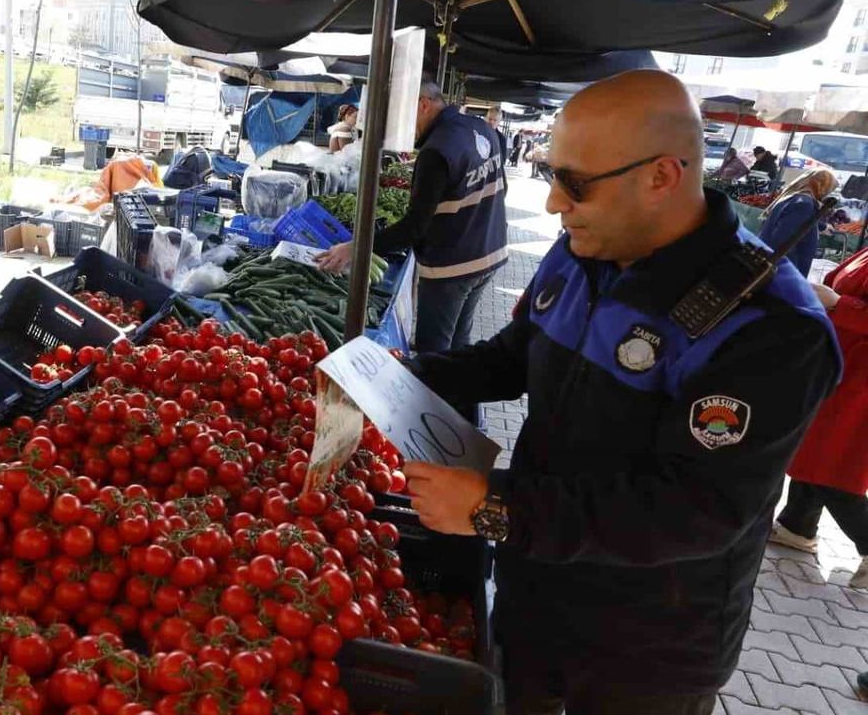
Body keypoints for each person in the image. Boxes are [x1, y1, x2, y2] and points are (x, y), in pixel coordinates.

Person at [401, 70, 840, 714]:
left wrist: (495, 509)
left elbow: (695, 510)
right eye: (552, 175)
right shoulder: (582, 251)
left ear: (661, 176)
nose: (553, 203)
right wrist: (399, 374)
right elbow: (510, 358)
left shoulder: (770, 328)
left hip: (647, 646)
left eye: (573, 183)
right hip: (536, 590)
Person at [316, 80, 508, 354]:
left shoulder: (436, 150)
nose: (403, 126)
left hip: (452, 267)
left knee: (435, 354)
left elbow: (414, 228)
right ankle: (461, 398)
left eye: (404, 115)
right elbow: (501, 189)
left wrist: (355, 248)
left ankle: (435, 395)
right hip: (490, 253)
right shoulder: (481, 128)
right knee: (460, 346)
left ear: (423, 105)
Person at [768, 244, 868, 589]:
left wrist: (839, 304)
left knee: (834, 467)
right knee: (813, 451)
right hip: (843, 366)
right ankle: (798, 526)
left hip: (861, 382)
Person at [756, 168, 837, 278]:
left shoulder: (795, 198)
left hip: (769, 266)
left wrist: (822, 226)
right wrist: (792, 276)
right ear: (821, 186)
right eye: (828, 190)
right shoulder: (804, 204)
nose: (826, 194)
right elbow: (783, 240)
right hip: (779, 273)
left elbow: (796, 222)